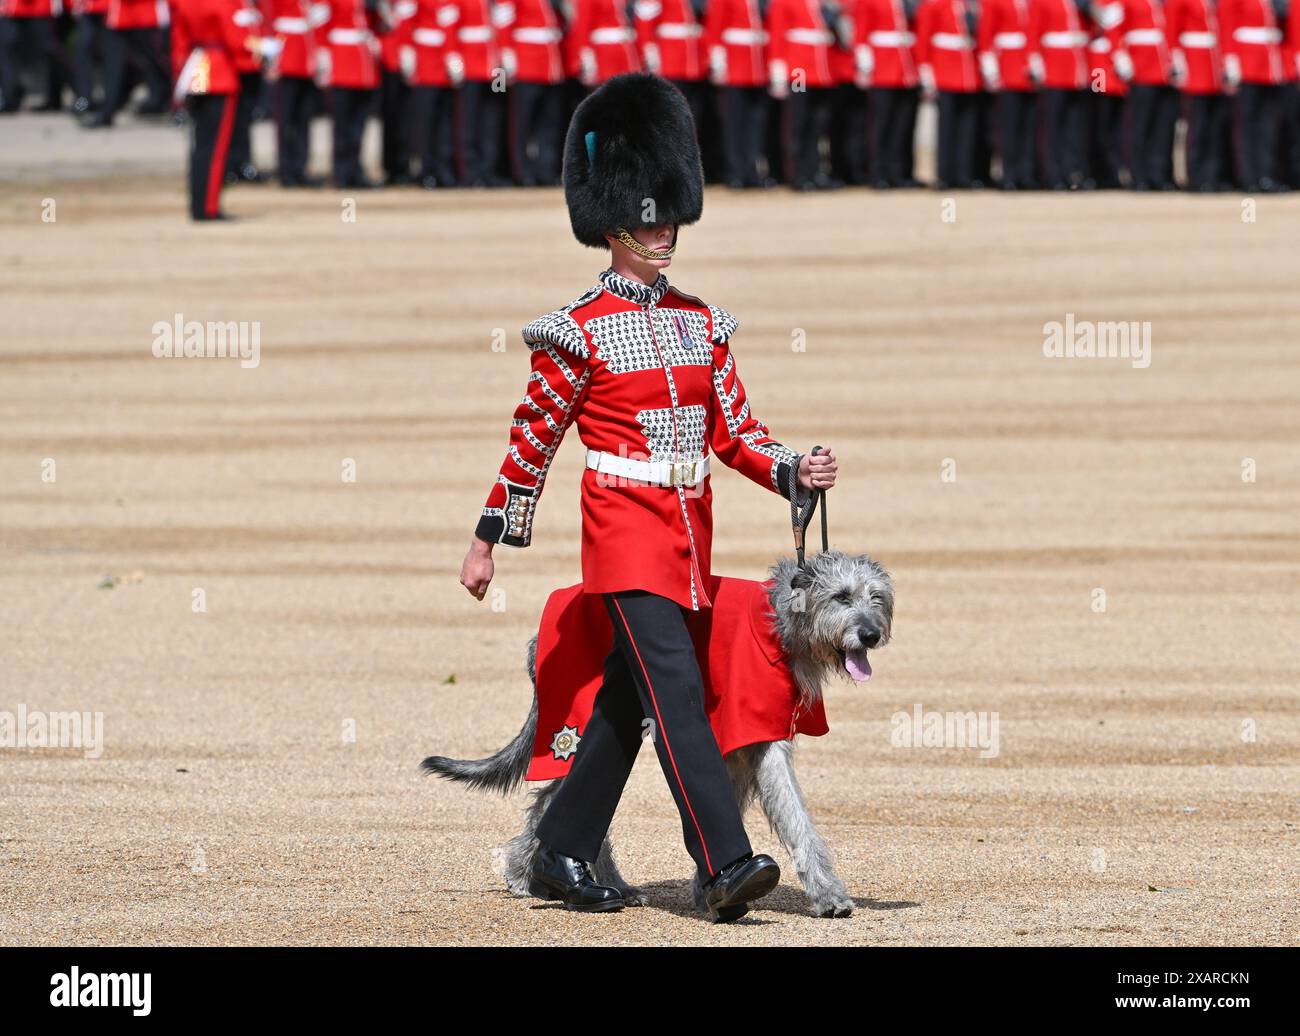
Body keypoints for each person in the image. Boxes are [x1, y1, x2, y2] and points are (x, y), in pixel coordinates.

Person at [459, 73, 838, 920]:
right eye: (646, 218)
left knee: (630, 698)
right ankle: (725, 862)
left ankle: (561, 846)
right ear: (609, 224)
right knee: (675, 695)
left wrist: (789, 468)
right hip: (624, 535)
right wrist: (490, 535)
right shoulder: (578, 328)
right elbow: (535, 437)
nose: (662, 231)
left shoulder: (702, 322)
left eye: (669, 216)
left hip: (689, 537)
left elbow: (734, 430)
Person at [171, 0, 265, 220]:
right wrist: (259, 56)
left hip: (197, 66)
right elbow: (236, 38)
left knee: (200, 143)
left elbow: (179, 36)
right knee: (216, 147)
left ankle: (198, 204)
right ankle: (208, 207)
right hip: (219, 68)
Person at [916, 0, 983, 188]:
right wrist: (926, 72)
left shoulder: (971, 6)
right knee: (946, 128)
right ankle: (945, 175)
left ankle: (964, 174)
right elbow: (924, 38)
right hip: (945, 71)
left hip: (969, 73)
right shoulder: (934, 5)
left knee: (967, 129)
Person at [856, 0, 923, 187]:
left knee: (904, 125)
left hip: (907, 68)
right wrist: (865, 66)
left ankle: (900, 172)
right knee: (881, 125)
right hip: (882, 67)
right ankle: (878, 173)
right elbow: (861, 33)